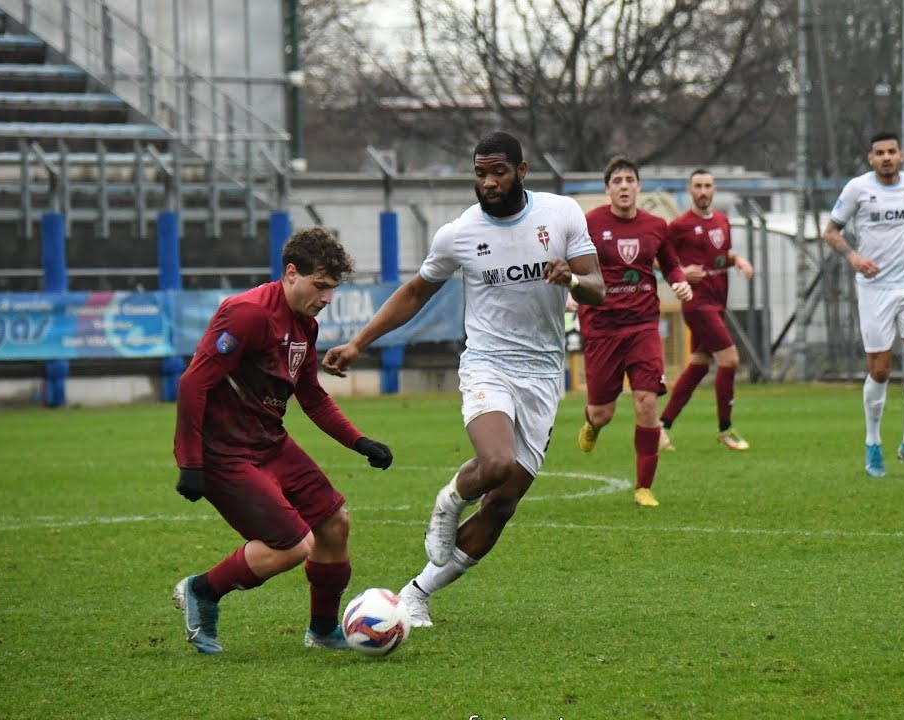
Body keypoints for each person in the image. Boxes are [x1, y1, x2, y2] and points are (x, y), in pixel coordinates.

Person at [321, 131, 604, 627]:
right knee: (494, 464)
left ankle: (415, 593)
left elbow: (597, 288)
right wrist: (358, 344)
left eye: (498, 172)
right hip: (487, 363)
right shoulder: (458, 233)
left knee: (503, 503)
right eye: (480, 173)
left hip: (542, 373)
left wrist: (573, 281)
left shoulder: (562, 214)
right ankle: (449, 499)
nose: (489, 182)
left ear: (522, 170)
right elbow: (414, 292)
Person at [171, 227, 395, 655]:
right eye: (321, 285)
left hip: (269, 443)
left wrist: (359, 442)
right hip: (224, 452)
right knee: (294, 546)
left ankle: (324, 631)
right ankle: (202, 590)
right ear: (291, 273)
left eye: (332, 288)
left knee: (335, 523)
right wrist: (191, 462)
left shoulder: (304, 325)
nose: (327, 298)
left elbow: (311, 395)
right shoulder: (247, 314)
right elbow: (192, 383)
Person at [822, 131, 904, 478]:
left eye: (892, 151)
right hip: (875, 289)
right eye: (880, 152)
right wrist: (854, 257)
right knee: (879, 370)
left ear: (901, 155)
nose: (887, 157)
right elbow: (831, 232)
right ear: (870, 158)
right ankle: (873, 442)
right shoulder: (857, 189)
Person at [576, 156, 693, 507]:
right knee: (603, 412)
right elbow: (575, 264)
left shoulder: (657, 226)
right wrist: (572, 292)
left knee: (646, 402)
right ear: (607, 189)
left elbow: (670, 264)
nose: (624, 186)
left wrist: (680, 283)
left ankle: (644, 486)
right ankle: (592, 424)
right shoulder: (590, 224)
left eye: (630, 180)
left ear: (638, 187)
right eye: (618, 181)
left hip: (643, 326)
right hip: (602, 327)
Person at [657, 169, 755, 451]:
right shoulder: (679, 225)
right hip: (697, 304)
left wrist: (738, 260)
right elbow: (658, 258)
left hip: (718, 299)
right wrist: (682, 273)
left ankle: (662, 426)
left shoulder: (723, 220)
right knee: (730, 359)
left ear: (714, 190)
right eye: (697, 186)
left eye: (707, 186)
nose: (703, 191)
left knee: (700, 365)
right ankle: (726, 429)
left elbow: (720, 255)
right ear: (689, 190)